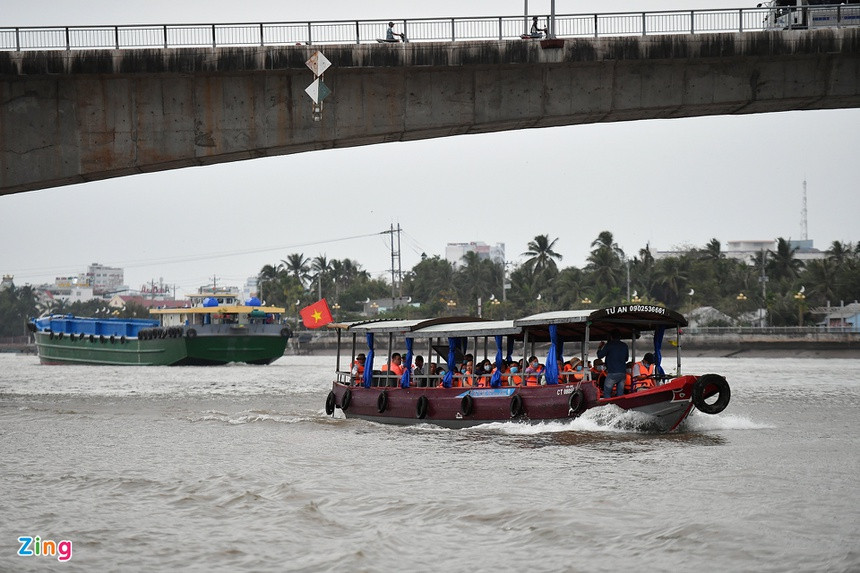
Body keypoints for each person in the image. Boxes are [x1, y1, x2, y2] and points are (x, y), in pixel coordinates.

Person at [597, 329, 629, 399]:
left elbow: (599, 356)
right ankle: (620, 404)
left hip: (612, 373)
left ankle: (608, 404)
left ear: (611, 337)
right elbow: (626, 359)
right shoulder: (624, 345)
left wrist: (600, 347)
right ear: (620, 337)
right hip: (622, 373)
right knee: (620, 394)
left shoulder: (609, 345)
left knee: (607, 393)